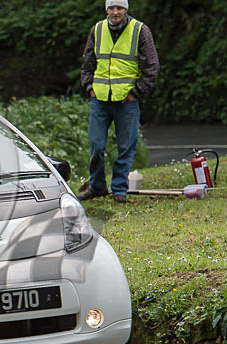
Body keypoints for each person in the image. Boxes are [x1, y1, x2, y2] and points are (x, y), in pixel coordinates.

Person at [77, 0, 159, 203]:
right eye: (112, 8)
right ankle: (97, 187)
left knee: (126, 146)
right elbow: (87, 63)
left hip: (126, 101)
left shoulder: (140, 30)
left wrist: (136, 93)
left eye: (119, 8)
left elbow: (152, 66)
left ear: (126, 9)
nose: (115, 12)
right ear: (106, 9)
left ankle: (119, 189)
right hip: (100, 100)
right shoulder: (97, 30)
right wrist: (89, 88)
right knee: (96, 145)